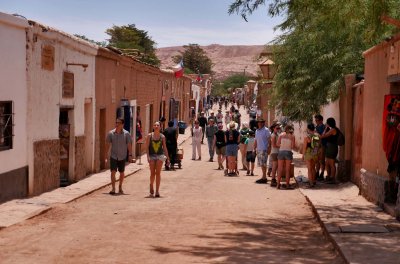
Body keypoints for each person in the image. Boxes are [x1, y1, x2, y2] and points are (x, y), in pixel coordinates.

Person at [105, 118, 135, 195]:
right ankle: (113, 188)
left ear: (122, 124)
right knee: (113, 172)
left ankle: (120, 186)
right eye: (116, 122)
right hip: (113, 155)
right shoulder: (111, 133)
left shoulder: (126, 134)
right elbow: (107, 145)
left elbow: (129, 144)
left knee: (122, 172)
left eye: (119, 123)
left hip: (122, 155)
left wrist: (130, 155)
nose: (117, 124)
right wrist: (106, 155)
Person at [145, 121, 169, 198]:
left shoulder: (162, 137)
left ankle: (157, 191)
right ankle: (151, 184)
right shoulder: (149, 136)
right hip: (151, 155)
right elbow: (147, 147)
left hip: (160, 155)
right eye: (155, 125)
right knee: (152, 173)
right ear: (153, 127)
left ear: (160, 127)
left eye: (157, 125)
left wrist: (167, 158)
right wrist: (148, 156)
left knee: (158, 173)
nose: (156, 126)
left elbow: (164, 148)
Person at [320, 117, 339, 183]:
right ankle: (329, 177)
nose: (326, 124)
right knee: (327, 163)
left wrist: (325, 128)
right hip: (330, 147)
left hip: (332, 148)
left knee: (331, 163)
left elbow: (323, 136)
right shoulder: (332, 129)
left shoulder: (333, 130)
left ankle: (332, 178)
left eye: (327, 122)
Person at [276, 124, 295, 189]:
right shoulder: (292, 136)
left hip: (281, 152)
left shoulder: (281, 135)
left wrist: (282, 145)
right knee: (287, 169)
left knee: (280, 169)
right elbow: (292, 147)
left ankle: (278, 184)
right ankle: (287, 184)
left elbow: (277, 144)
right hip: (288, 152)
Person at [254, 118, 272, 184]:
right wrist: (254, 148)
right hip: (259, 149)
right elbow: (256, 140)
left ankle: (264, 177)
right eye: (259, 122)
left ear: (263, 123)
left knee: (264, 164)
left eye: (261, 122)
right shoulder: (257, 131)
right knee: (261, 164)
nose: (260, 123)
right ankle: (263, 177)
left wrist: (269, 148)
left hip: (264, 149)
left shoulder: (266, 130)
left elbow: (269, 140)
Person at [314, 114, 326, 181]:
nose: (316, 121)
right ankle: (317, 172)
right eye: (315, 120)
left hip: (322, 146)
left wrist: (316, 132)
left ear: (321, 120)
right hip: (316, 146)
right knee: (316, 160)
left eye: (317, 120)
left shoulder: (323, 127)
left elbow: (322, 136)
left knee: (322, 160)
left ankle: (322, 173)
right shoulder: (316, 127)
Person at [269, 122, 281, 187]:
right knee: (274, 166)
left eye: (278, 128)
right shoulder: (273, 135)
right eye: (277, 128)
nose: (278, 129)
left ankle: (274, 179)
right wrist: (281, 146)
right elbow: (274, 145)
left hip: (276, 152)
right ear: (273, 128)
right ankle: (273, 179)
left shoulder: (276, 134)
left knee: (276, 167)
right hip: (275, 152)